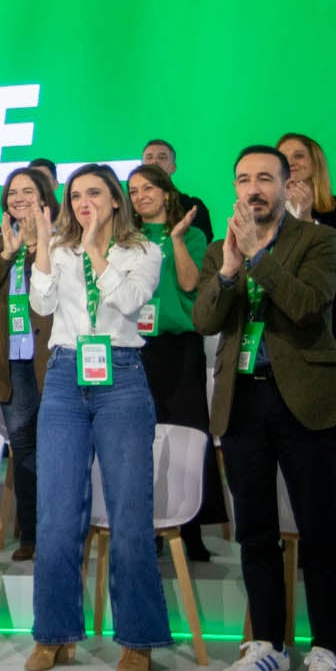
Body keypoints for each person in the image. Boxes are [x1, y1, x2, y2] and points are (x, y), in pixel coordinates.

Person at [195, 146, 336, 671]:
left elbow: (308, 307)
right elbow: (205, 318)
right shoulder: (226, 246)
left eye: (265, 178)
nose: (253, 189)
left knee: (318, 530)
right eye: (243, 178)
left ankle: (326, 651)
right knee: (255, 531)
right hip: (242, 400)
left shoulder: (319, 240)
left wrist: (259, 256)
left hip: (306, 402)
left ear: (286, 184)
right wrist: (227, 268)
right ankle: (267, 643)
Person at [24, 164, 170, 671]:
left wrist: (92, 249)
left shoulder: (145, 251)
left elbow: (130, 301)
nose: (84, 202)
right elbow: (40, 304)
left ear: (114, 200)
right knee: (57, 513)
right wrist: (45, 242)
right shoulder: (59, 250)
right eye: (76, 195)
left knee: (130, 514)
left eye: (94, 193)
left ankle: (138, 638)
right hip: (65, 376)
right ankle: (53, 633)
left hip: (123, 377)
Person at [127, 164, 222, 561]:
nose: (140, 196)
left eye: (148, 188)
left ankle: (192, 528)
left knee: (188, 436)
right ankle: (148, 525)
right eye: (132, 191)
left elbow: (189, 284)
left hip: (181, 346)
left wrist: (178, 240)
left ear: (166, 192)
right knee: (142, 440)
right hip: (136, 347)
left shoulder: (193, 235)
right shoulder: (126, 239)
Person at [0, 166, 56, 560]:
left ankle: (61, 529)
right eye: (12, 192)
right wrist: (7, 253)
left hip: (52, 355)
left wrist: (41, 243)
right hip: (11, 358)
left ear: (44, 196)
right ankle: (31, 535)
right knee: (22, 446)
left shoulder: (60, 238)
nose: (19, 197)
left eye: (28, 190)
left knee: (58, 444)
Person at [276, 132, 336, 375]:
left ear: (315, 161)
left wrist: (307, 219)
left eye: (299, 155)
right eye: (284, 157)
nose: (291, 162)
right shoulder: (268, 214)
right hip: (284, 326)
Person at [140, 138, 214, 238]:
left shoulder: (193, 207)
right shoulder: (129, 208)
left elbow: (202, 246)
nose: (154, 162)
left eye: (162, 157)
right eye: (149, 157)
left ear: (173, 168)